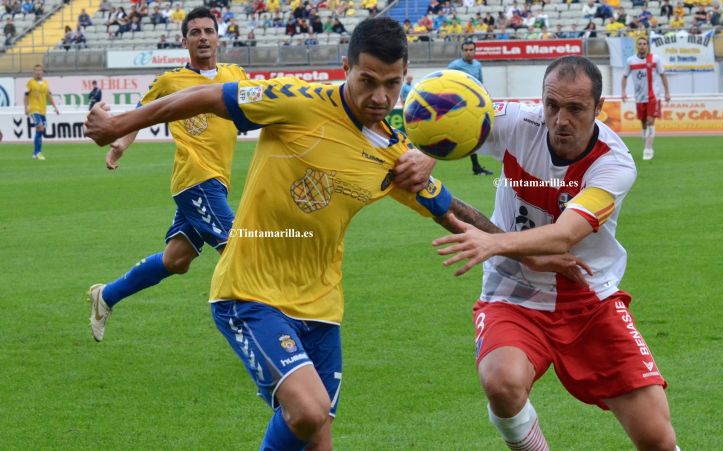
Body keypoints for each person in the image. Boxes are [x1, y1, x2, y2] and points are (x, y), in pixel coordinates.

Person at [85, 17, 586, 450]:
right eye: (368, 80)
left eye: (392, 83)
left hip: (322, 308)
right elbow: (209, 96)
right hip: (249, 291)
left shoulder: (394, 152)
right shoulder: (297, 102)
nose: (380, 96)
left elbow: (448, 208)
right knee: (307, 411)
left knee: (317, 433)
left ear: (405, 77)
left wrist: (522, 254)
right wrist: (123, 123)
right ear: (346, 68)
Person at [433, 56, 679, 451]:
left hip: (587, 295)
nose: (561, 119)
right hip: (512, 291)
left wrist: (494, 243)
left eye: (576, 109)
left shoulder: (613, 164)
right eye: (552, 105)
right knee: (501, 381)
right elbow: (445, 121)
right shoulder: (516, 121)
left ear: (599, 109)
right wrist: (425, 154)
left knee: (656, 437)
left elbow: (564, 235)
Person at [85, 7, 250, 343]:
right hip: (195, 180)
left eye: (208, 31)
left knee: (177, 260)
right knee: (240, 252)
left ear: (218, 37)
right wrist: (120, 144)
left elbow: (266, 108)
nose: (203, 37)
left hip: (217, 181)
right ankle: (262, 336)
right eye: (195, 32)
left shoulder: (236, 75)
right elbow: (140, 117)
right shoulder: (171, 81)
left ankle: (107, 296)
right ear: (184, 40)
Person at [448, 40, 493, 176]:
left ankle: (476, 166)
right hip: (459, 106)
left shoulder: (477, 65)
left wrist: (486, 97)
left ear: (475, 51)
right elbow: (446, 83)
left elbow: (480, 83)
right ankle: (475, 166)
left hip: (474, 106)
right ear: (462, 51)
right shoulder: (454, 66)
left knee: (473, 134)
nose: (468, 52)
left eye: (471, 50)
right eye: (466, 50)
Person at [621, 36, 670, 161]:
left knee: (650, 121)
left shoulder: (655, 59)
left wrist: (667, 92)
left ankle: (647, 150)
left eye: (644, 43)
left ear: (647, 46)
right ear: (637, 46)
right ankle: (647, 146)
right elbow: (625, 76)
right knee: (643, 124)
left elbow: (663, 75)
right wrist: (623, 92)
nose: (642, 46)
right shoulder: (631, 61)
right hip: (639, 98)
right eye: (640, 44)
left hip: (653, 96)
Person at [24, 64, 60, 160]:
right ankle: (38, 152)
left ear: (42, 72)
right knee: (40, 128)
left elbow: (49, 96)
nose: (38, 72)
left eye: (40, 70)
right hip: (34, 110)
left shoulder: (45, 83)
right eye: (36, 70)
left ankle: (35, 152)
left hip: (43, 111)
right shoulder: (30, 83)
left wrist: (55, 107)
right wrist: (26, 108)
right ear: (33, 72)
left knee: (40, 130)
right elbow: (26, 95)